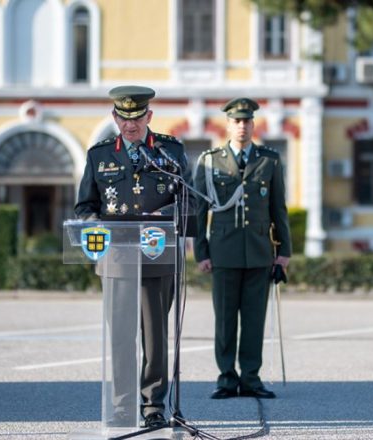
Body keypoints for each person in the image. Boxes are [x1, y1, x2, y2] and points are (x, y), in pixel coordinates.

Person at [75, 85, 191, 428]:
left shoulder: (170, 152)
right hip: (116, 258)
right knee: (121, 336)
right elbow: (84, 207)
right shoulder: (99, 156)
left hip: (158, 254)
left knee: (155, 337)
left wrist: (166, 215)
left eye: (137, 118)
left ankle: (153, 406)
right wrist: (99, 226)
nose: (130, 125)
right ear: (114, 118)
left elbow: (189, 202)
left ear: (148, 116)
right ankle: (123, 406)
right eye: (123, 119)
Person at [194, 97, 291, 400]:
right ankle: (226, 378)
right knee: (224, 320)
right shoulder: (210, 161)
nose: (242, 126)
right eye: (236, 121)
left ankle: (250, 378)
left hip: (260, 252)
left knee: (253, 320)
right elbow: (199, 211)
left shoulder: (269, 159)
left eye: (247, 121)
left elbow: (279, 208)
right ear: (228, 125)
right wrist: (202, 252)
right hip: (223, 252)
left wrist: (284, 251)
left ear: (253, 124)